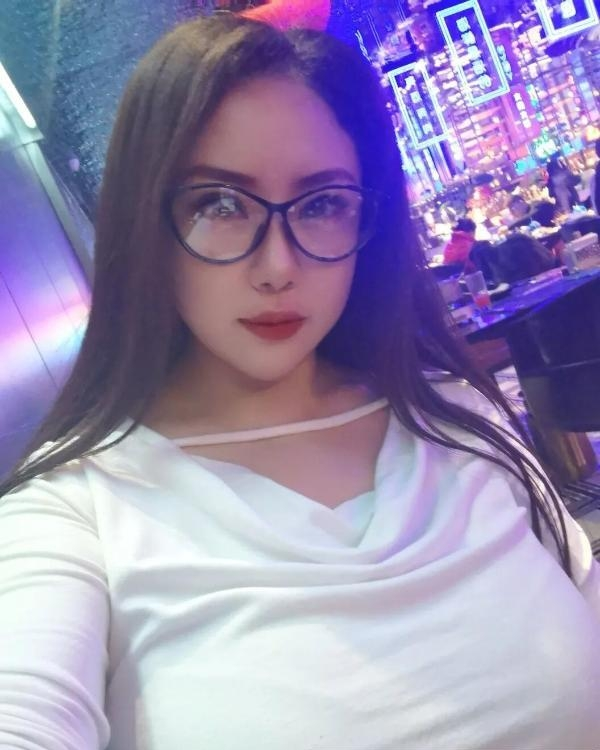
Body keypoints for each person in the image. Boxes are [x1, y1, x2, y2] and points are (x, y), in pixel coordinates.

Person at [0, 13, 599, 750]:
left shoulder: (455, 416)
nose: (279, 266)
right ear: (146, 224)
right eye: (219, 204)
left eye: (322, 205)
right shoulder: (76, 512)